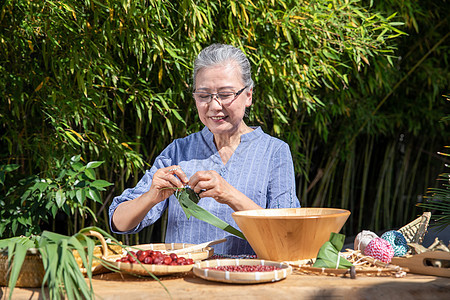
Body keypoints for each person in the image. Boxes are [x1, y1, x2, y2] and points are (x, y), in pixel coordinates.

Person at [109, 43, 300, 255]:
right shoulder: (178, 152)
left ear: (248, 96)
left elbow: (289, 232)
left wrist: (230, 195)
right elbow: (119, 222)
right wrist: (151, 196)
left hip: (248, 280)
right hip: (184, 281)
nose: (214, 105)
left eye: (226, 94)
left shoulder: (274, 152)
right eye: (204, 95)